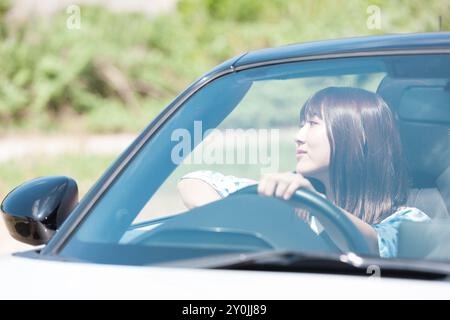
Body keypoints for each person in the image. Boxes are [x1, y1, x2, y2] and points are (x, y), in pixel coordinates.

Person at [177, 87, 430, 258]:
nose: (299, 137)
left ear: (357, 136)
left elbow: (374, 245)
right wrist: (240, 220)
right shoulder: (293, 200)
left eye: (313, 124)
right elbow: (194, 182)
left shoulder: (410, 220)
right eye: (301, 124)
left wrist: (315, 202)